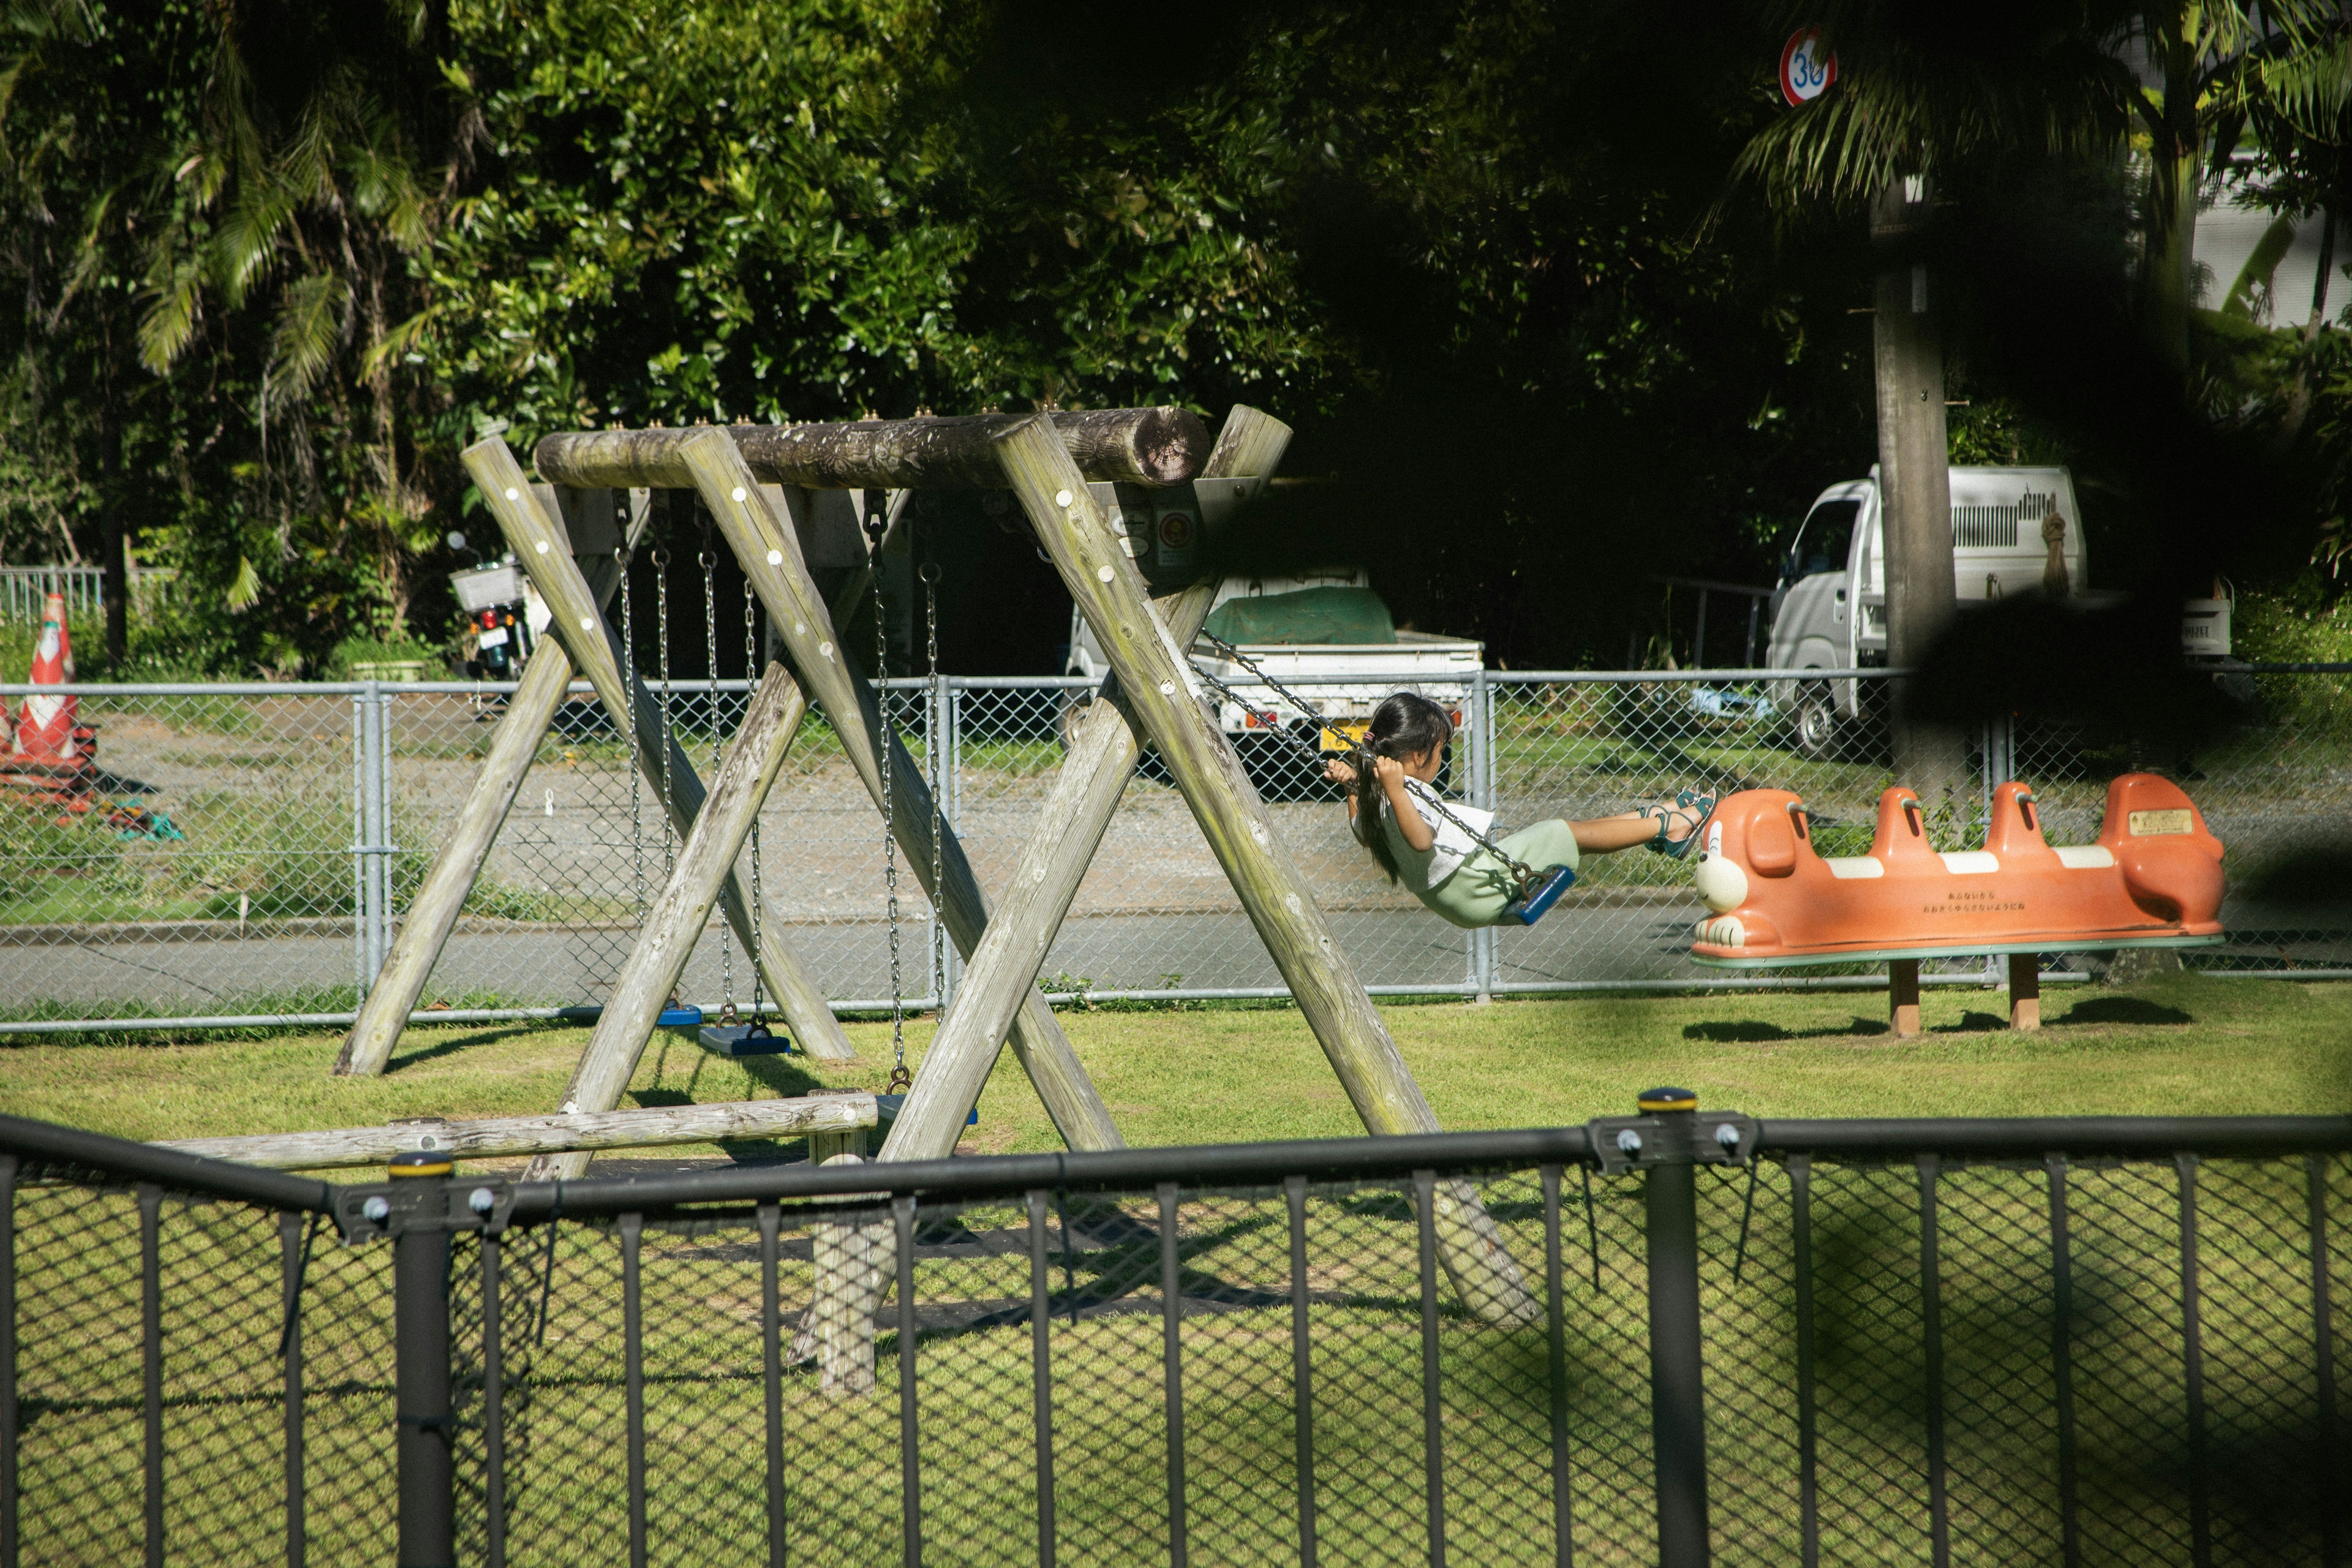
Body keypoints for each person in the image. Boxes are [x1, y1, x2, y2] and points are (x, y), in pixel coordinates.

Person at [1322, 692, 1716, 930]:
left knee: (1565, 831)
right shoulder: (1404, 791)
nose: (1442, 758)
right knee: (1563, 832)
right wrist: (1393, 787)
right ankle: (1669, 828)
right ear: (1417, 754)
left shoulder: (1381, 792)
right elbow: (1422, 842)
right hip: (1470, 888)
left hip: (1463, 891)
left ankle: (1658, 817)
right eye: (1441, 750)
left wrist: (1352, 788)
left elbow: (1361, 828)